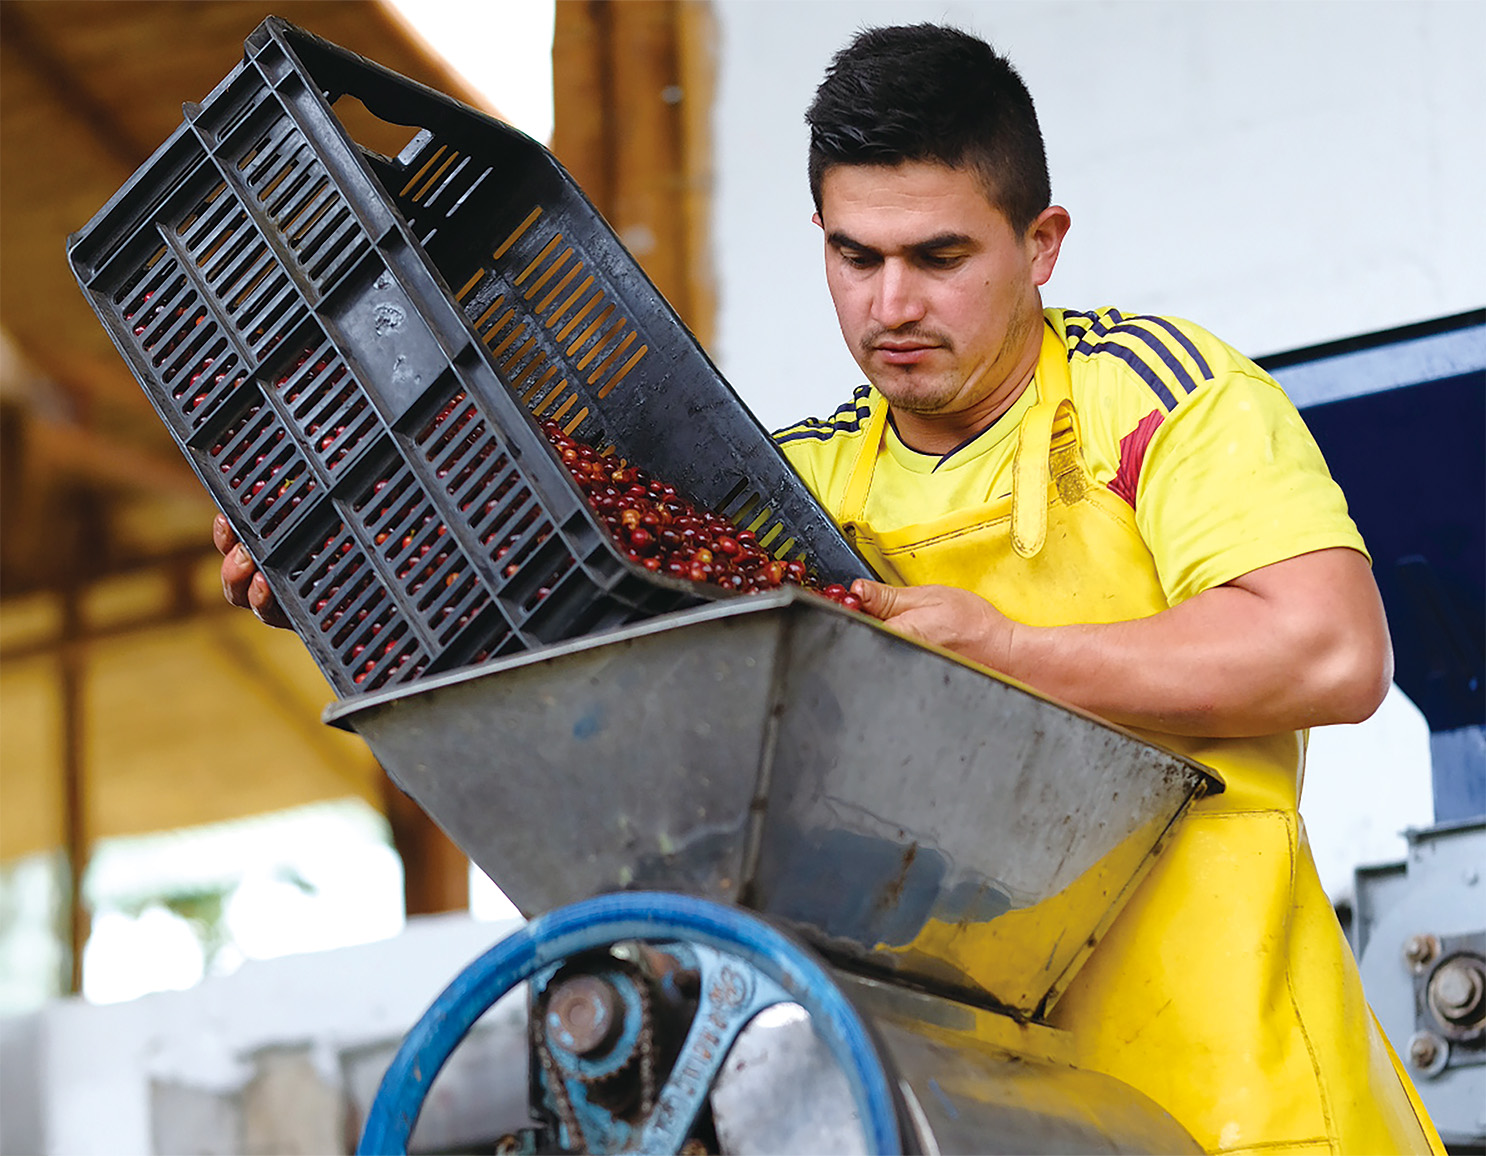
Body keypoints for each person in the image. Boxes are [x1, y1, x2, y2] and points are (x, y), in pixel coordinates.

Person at [216, 21, 1443, 1153]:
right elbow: (602, 688)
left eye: (938, 256)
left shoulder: (1162, 395)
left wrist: (1000, 650)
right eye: (853, 256)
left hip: (1239, 1102)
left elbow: (1328, 655)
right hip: (967, 1117)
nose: (889, 305)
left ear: (1041, 243)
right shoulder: (793, 488)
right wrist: (346, 567)